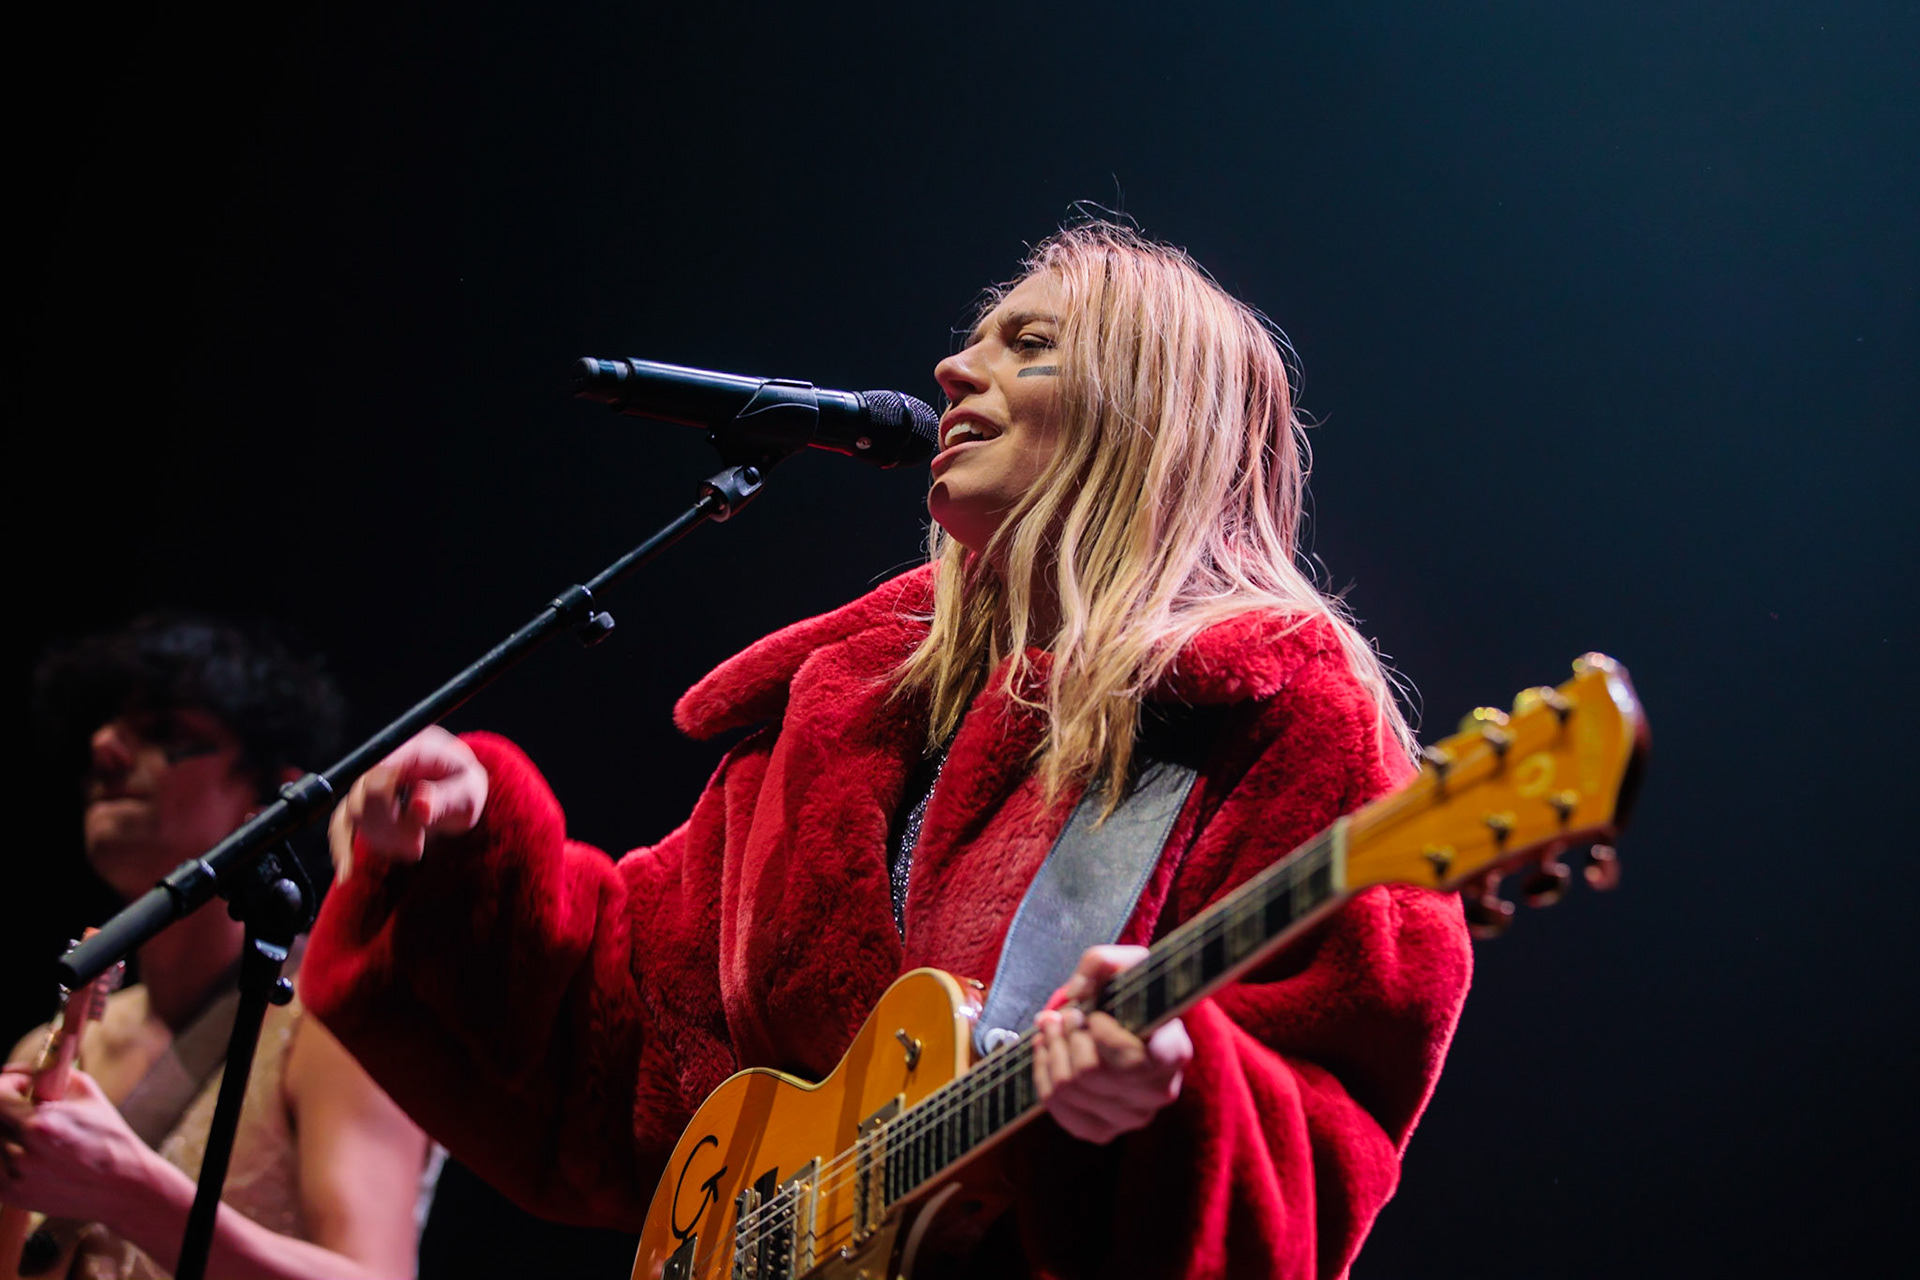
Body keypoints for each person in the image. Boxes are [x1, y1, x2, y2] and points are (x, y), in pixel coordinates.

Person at [302, 221, 1474, 1277]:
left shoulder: (1276, 715)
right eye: (975, 342)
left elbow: (1328, 1125)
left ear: (1145, 412)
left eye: (1030, 345)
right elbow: (631, 1048)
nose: (954, 369)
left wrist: (1174, 1095)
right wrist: (461, 862)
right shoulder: (847, 712)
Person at [1, 616, 436, 1280]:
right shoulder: (43, 1047)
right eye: (106, 729)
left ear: (270, 797)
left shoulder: (334, 1018)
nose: (104, 749)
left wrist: (127, 1187)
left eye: (164, 731)